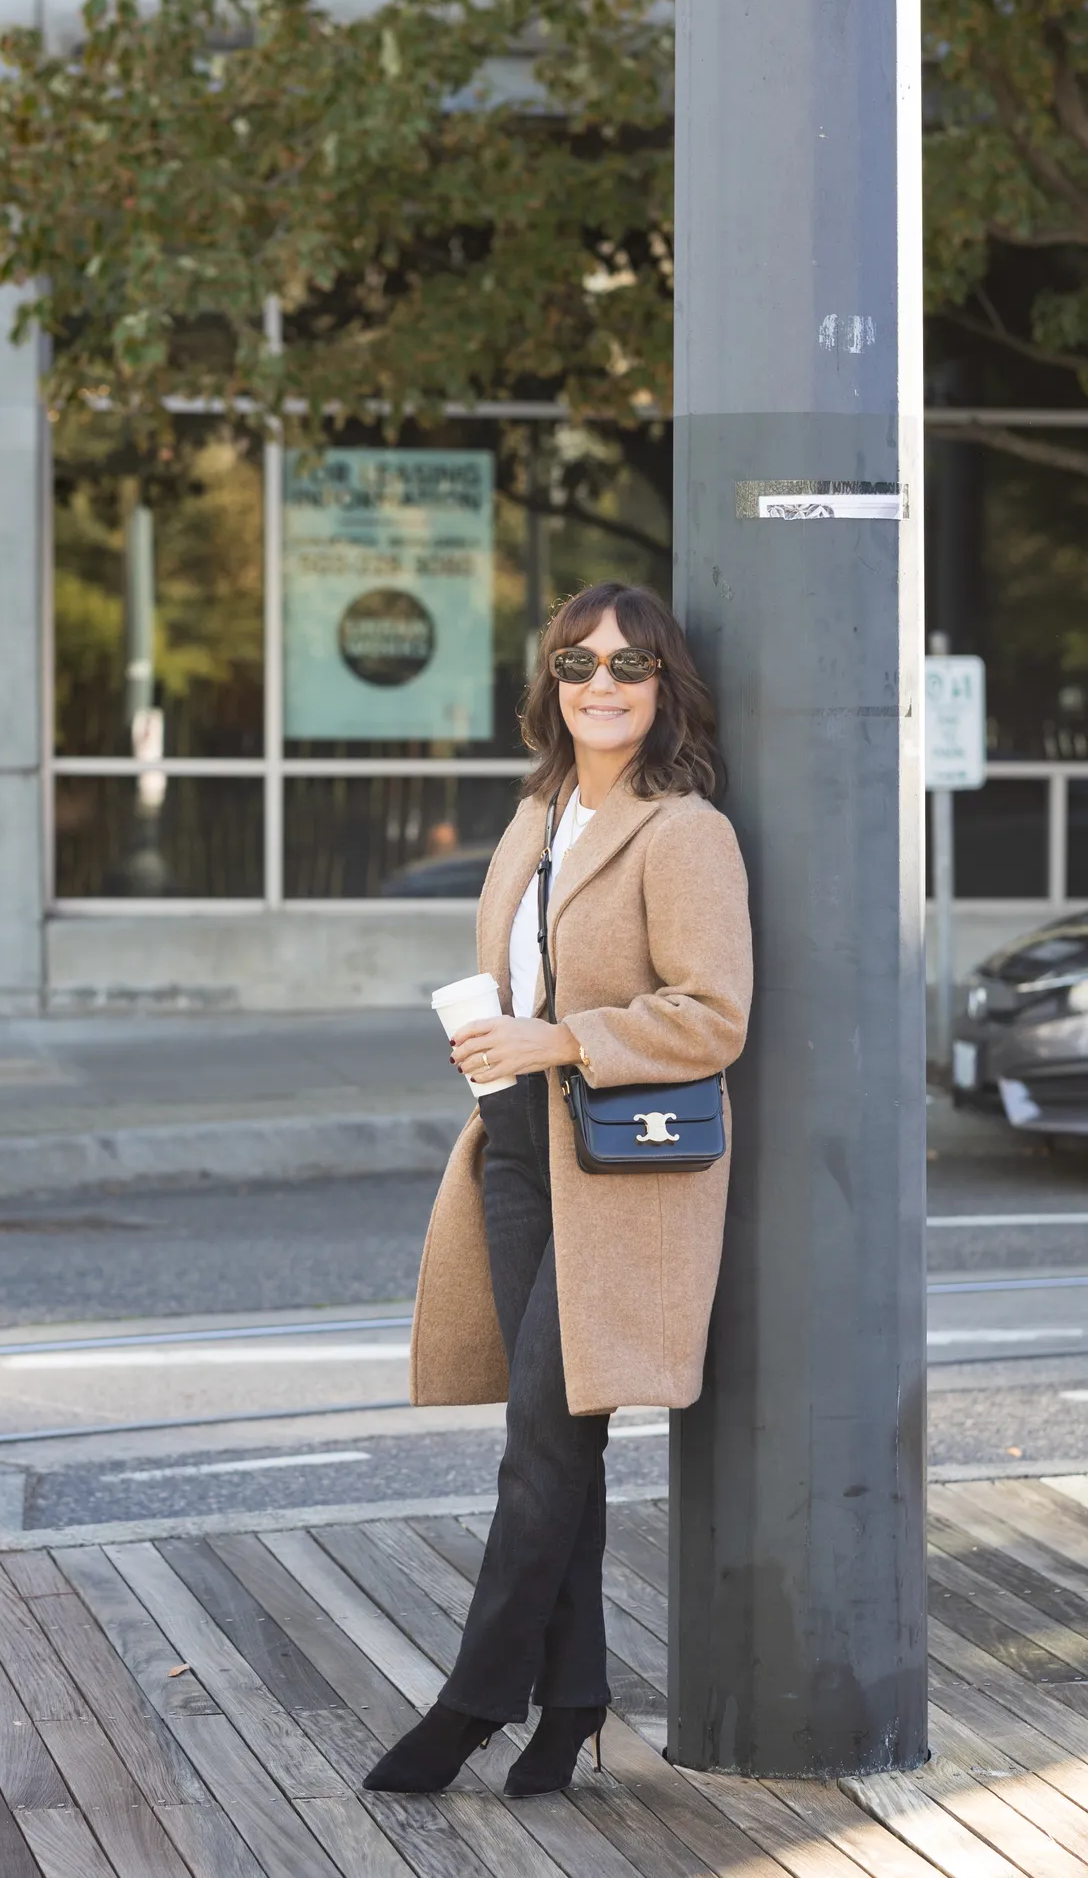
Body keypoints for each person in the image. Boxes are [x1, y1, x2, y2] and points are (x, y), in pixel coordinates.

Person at [364, 580, 753, 1798]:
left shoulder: (683, 829)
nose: (599, 683)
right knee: (554, 1440)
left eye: (628, 667)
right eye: (576, 662)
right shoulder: (537, 813)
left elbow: (712, 1014)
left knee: (543, 1440)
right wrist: (493, 1033)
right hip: (517, 1147)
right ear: (550, 683)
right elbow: (519, 977)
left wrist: (562, 1039)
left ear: (661, 688)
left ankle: (475, 1700)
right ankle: (573, 1699)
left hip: (617, 1164)